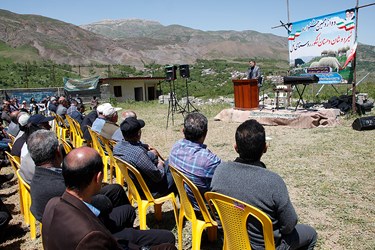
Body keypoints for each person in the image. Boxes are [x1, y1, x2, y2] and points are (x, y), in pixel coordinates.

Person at [42, 146, 177, 250]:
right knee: (168, 244)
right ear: (98, 177)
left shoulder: (52, 204)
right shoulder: (91, 238)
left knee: (127, 211)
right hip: (108, 241)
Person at [210, 119, 317, 250]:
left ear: (236, 147)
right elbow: (289, 225)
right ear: (265, 148)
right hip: (267, 246)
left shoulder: (219, 171)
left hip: (233, 241)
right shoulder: (273, 182)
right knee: (311, 234)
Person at [168, 112, 221, 210]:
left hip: (186, 201)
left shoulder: (176, 147)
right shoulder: (210, 161)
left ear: (183, 131)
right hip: (206, 208)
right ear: (205, 133)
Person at [113, 117, 176, 198]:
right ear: (138, 134)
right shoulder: (139, 154)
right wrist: (160, 164)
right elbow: (158, 177)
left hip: (136, 187)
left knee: (170, 162)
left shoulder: (117, 147)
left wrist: (142, 146)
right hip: (150, 190)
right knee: (176, 167)